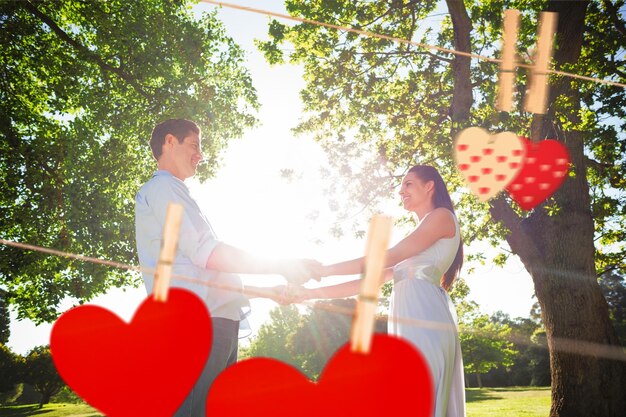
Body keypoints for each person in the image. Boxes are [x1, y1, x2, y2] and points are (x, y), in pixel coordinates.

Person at [135, 118, 319, 417]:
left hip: (213, 322)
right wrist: (282, 265)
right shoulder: (163, 189)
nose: (201, 154)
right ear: (170, 142)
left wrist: (268, 291)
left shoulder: (174, 192)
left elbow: (204, 277)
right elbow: (208, 254)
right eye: (195, 145)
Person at [284, 165, 466, 417]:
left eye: (408, 184)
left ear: (429, 186)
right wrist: (309, 294)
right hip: (410, 325)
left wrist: (323, 270)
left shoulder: (442, 216)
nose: (401, 191)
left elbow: (388, 256)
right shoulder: (419, 240)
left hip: (426, 322)